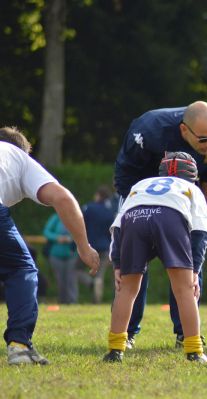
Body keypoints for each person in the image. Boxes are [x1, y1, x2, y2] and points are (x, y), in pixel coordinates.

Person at [113, 101, 207, 348]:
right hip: (140, 193)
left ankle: (126, 340)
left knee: (130, 276)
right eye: (203, 140)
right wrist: (194, 268)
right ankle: (140, 333)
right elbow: (124, 178)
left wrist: (118, 262)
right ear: (183, 130)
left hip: (165, 204)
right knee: (181, 275)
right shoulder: (147, 131)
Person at [0, 126, 99, 365]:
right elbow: (63, 198)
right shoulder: (18, 156)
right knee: (21, 270)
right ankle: (20, 345)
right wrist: (84, 246)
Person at [104, 152, 207, 363]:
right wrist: (195, 270)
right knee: (184, 290)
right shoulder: (193, 190)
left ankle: (115, 349)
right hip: (170, 217)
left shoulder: (141, 184)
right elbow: (200, 232)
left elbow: (117, 225)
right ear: (192, 175)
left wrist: (117, 264)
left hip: (134, 218)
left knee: (127, 289)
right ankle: (194, 351)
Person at [80, 185, 117, 303]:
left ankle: (89, 283)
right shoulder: (109, 212)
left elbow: (81, 225)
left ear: (97, 195)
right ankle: (97, 299)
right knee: (99, 275)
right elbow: (110, 231)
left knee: (75, 270)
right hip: (105, 247)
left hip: (89, 246)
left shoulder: (88, 208)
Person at [43, 212, 79, 304]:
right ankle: (62, 301)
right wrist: (57, 238)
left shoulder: (75, 217)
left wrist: (70, 238)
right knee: (60, 280)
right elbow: (46, 232)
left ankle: (72, 301)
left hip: (71, 254)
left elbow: (80, 232)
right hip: (55, 254)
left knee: (71, 279)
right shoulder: (55, 217)